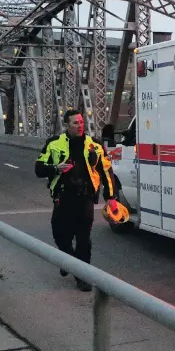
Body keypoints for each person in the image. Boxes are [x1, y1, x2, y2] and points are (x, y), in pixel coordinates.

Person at [35, 109, 116, 292]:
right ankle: (67, 259)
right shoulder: (53, 144)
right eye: (75, 123)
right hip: (63, 198)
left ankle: (82, 278)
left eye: (81, 122)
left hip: (85, 198)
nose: (80, 126)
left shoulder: (94, 145)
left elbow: (106, 172)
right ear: (67, 125)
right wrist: (55, 168)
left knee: (83, 239)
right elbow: (39, 169)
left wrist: (111, 198)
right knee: (59, 234)